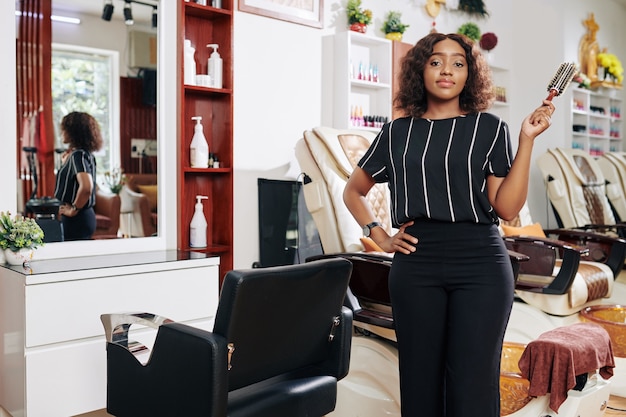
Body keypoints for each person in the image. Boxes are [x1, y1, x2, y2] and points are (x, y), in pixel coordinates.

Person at [343, 32, 555, 416]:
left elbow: (506, 208)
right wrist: (379, 235)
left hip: (481, 264)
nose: (447, 70)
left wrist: (526, 140)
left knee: (472, 384)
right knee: (419, 381)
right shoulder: (397, 133)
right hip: (416, 263)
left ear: (469, 74)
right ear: (420, 70)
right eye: (436, 61)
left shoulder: (489, 129)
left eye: (458, 63)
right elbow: (353, 191)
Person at [54, 111, 103, 241]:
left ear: (73, 132)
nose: (61, 133)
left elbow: (87, 187)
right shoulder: (83, 154)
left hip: (78, 218)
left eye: (64, 130)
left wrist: (73, 209)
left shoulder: (78, 155)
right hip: (82, 217)